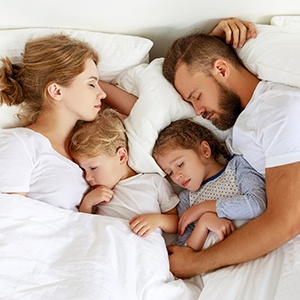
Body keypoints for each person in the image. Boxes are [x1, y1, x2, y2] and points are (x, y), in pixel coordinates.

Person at [161, 19, 300, 278]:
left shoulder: (278, 111)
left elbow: (287, 220)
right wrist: (209, 44)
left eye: (197, 96)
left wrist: (196, 263)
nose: (198, 112)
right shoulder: (244, 119)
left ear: (222, 70)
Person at [153, 118, 266, 251]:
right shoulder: (186, 200)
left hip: (253, 243)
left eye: (180, 164)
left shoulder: (237, 167)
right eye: (169, 173)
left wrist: (203, 208)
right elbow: (184, 250)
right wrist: (204, 222)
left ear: (205, 151)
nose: (177, 176)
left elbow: (257, 204)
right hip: (215, 260)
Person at [68, 108, 179, 237]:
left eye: (93, 168)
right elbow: (85, 230)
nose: (88, 177)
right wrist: (87, 204)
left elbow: (176, 222)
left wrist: (158, 220)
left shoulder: (153, 182)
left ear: (121, 156)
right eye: (83, 170)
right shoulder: (95, 196)